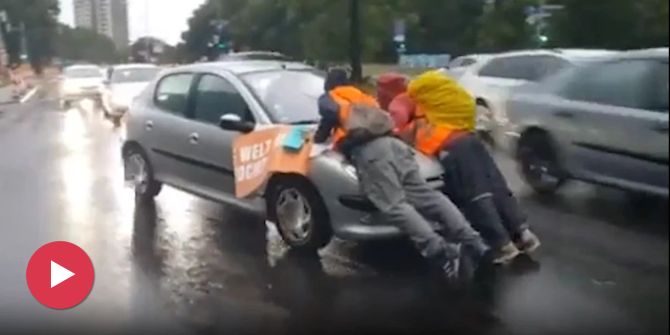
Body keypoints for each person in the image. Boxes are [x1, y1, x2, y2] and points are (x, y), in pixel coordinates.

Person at [402, 70, 540, 264]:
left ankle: (501, 245)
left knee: (475, 195)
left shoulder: (411, 100)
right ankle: (522, 232)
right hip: (468, 138)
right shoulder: (447, 93)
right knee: (495, 185)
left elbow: (401, 129)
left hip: (450, 146)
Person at [339, 104, 489, 283]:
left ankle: (440, 252)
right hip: (395, 144)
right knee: (427, 195)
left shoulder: (333, 102)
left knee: (394, 205)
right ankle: (474, 243)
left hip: (373, 151)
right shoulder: (359, 97)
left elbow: (337, 130)